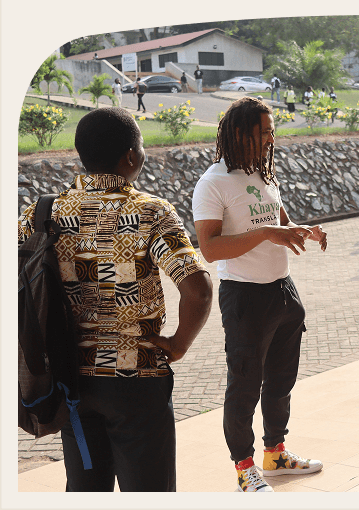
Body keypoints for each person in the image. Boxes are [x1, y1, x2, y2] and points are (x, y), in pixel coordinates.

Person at [17, 107, 213, 491]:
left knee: (86, 489)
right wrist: (178, 343)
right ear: (131, 156)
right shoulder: (149, 212)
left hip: (68, 381)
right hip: (136, 378)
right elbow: (198, 288)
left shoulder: (40, 214)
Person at [191, 97, 328, 493]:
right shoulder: (213, 183)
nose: (271, 138)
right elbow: (210, 248)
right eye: (264, 131)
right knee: (245, 385)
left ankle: (276, 455)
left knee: (281, 380)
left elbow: (280, 223)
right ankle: (244, 467)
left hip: (283, 290)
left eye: (271, 131)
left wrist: (304, 230)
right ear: (240, 133)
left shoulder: (264, 174)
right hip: (244, 298)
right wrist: (268, 233)